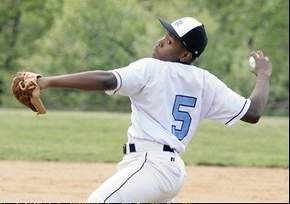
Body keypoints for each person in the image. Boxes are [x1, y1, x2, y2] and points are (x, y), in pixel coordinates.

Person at [36, 17, 272, 202]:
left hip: (151, 165)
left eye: (170, 41)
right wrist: (263, 75)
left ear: (185, 55)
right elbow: (253, 112)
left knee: (100, 200)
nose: (160, 41)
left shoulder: (151, 68)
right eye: (164, 36)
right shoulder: (205, 81)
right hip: (168, 170)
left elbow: (108, 79)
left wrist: (47, 81)